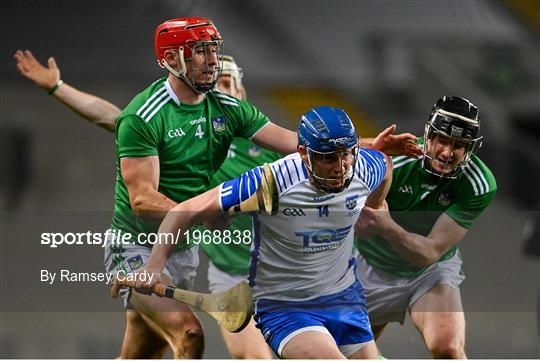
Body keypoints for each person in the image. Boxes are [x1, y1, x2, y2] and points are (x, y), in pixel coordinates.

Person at [138, 106, 393, 359]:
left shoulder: (363, 169)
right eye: (328, 158)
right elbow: (187, 210)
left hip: (344, 297)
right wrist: (154, 267)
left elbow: (386, 164)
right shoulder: (273, 179)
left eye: (347, 154)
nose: (340, 167)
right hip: (285, 306)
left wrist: (373, 208)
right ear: (304, 153)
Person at [354, 96, 497, 358]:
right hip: (368, 266)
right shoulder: (393, 165)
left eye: (459, 145)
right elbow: (362, 227)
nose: (447, 152)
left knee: (448, 348)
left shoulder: (479, 183)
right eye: (442, 140)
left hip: (429, 272)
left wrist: (387, 226)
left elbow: (429, 253)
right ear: (428, 136)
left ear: (470, 148)